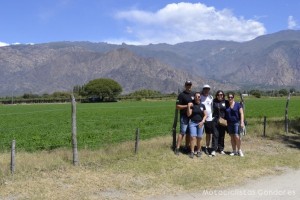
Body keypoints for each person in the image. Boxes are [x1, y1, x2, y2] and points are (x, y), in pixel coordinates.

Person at [174, 80, 195, 155]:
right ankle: (177, 148)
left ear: (191, 85)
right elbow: (177, 106)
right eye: (187, 85)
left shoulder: (193, 94)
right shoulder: (181, 95)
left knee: (189, 132)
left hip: (192, 116)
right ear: (185, 86)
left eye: (190, 85)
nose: (189, 86)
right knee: (182, 132)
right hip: (184, 116)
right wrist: (187, 105)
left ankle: (186, 147)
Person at [187, 92, 207, 158]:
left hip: (200, 123)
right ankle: (192, 151)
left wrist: (203, 121)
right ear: (194, 97)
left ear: (200, 97)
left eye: (199, 96)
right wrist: (188, 106)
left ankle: (198, 151)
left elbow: (206, 115)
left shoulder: (202, 105)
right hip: (193, 123)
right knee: (193, 137)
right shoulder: (192, 105)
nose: (197, 98)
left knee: (199, 138)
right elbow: (189, 115)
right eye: (196, 96)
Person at [225, 92, 245, 157]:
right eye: (229, 97)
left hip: (236, 122)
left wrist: (242, 122)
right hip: (229, 123)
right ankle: (234, 151)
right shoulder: (227, 105)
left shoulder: (238, 105)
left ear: (233, 98)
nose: (230, 98)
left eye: (231, 97)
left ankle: (239, 150)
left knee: (237, 136)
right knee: (232, 137)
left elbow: (241, 113)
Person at [212, 90, 229, 155]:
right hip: (215, 120)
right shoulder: (213, 101)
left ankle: (221, 149)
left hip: (223, 121)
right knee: (215, 135)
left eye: (221, 94)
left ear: (223, 95)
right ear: (216, 95)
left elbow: (232, 103)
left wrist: (240, 104)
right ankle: (214, 149)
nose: (220, 96)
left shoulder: (225, 102)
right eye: (219, 94)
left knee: (222, 135)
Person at [200, 84, 214, 155]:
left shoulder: (211, 97)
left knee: (208, 134)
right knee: (199, 133)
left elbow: (212, 107)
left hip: (209, 118)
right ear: (203, 89)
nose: (206, 90)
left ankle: (207, 146)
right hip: (201, 118)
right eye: (205, 89)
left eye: (207, 89)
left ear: (209, 90)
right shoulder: (200, 97)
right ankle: (198, 147)